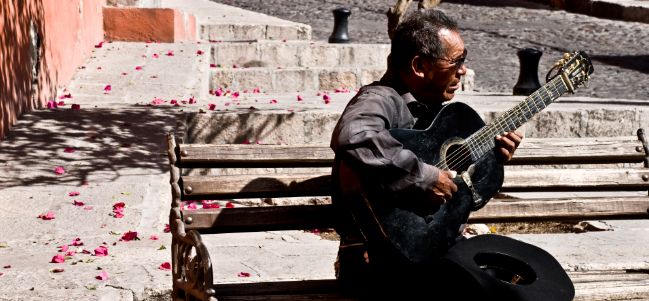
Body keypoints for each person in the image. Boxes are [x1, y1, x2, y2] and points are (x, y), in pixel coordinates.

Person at [329, 8, 523, 299]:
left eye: (464, 59)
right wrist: (425, 177)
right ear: (419, 66)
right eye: (455, 61)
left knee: (522, 278)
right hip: (377, 265)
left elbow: (458, 203)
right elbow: (353, 135)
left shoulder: (432, 113)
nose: (463, 70)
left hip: (432, 255)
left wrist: (491, 161)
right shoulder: (379, 100)